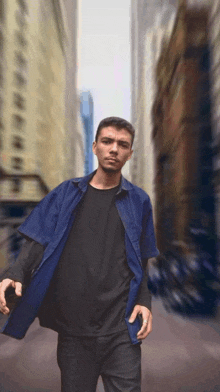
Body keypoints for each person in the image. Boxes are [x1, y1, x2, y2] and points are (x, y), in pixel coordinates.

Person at [0, 117, 159, 392]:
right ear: (95, 147)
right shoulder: (66, 193)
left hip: (121, 329)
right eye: (107, 142)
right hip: (74, 332)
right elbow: (38, 240)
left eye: (123, 145)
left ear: (130, 154)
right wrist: (16, 273)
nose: (114, 149)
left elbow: (141, 260)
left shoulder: (139, 201)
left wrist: (144, 300)